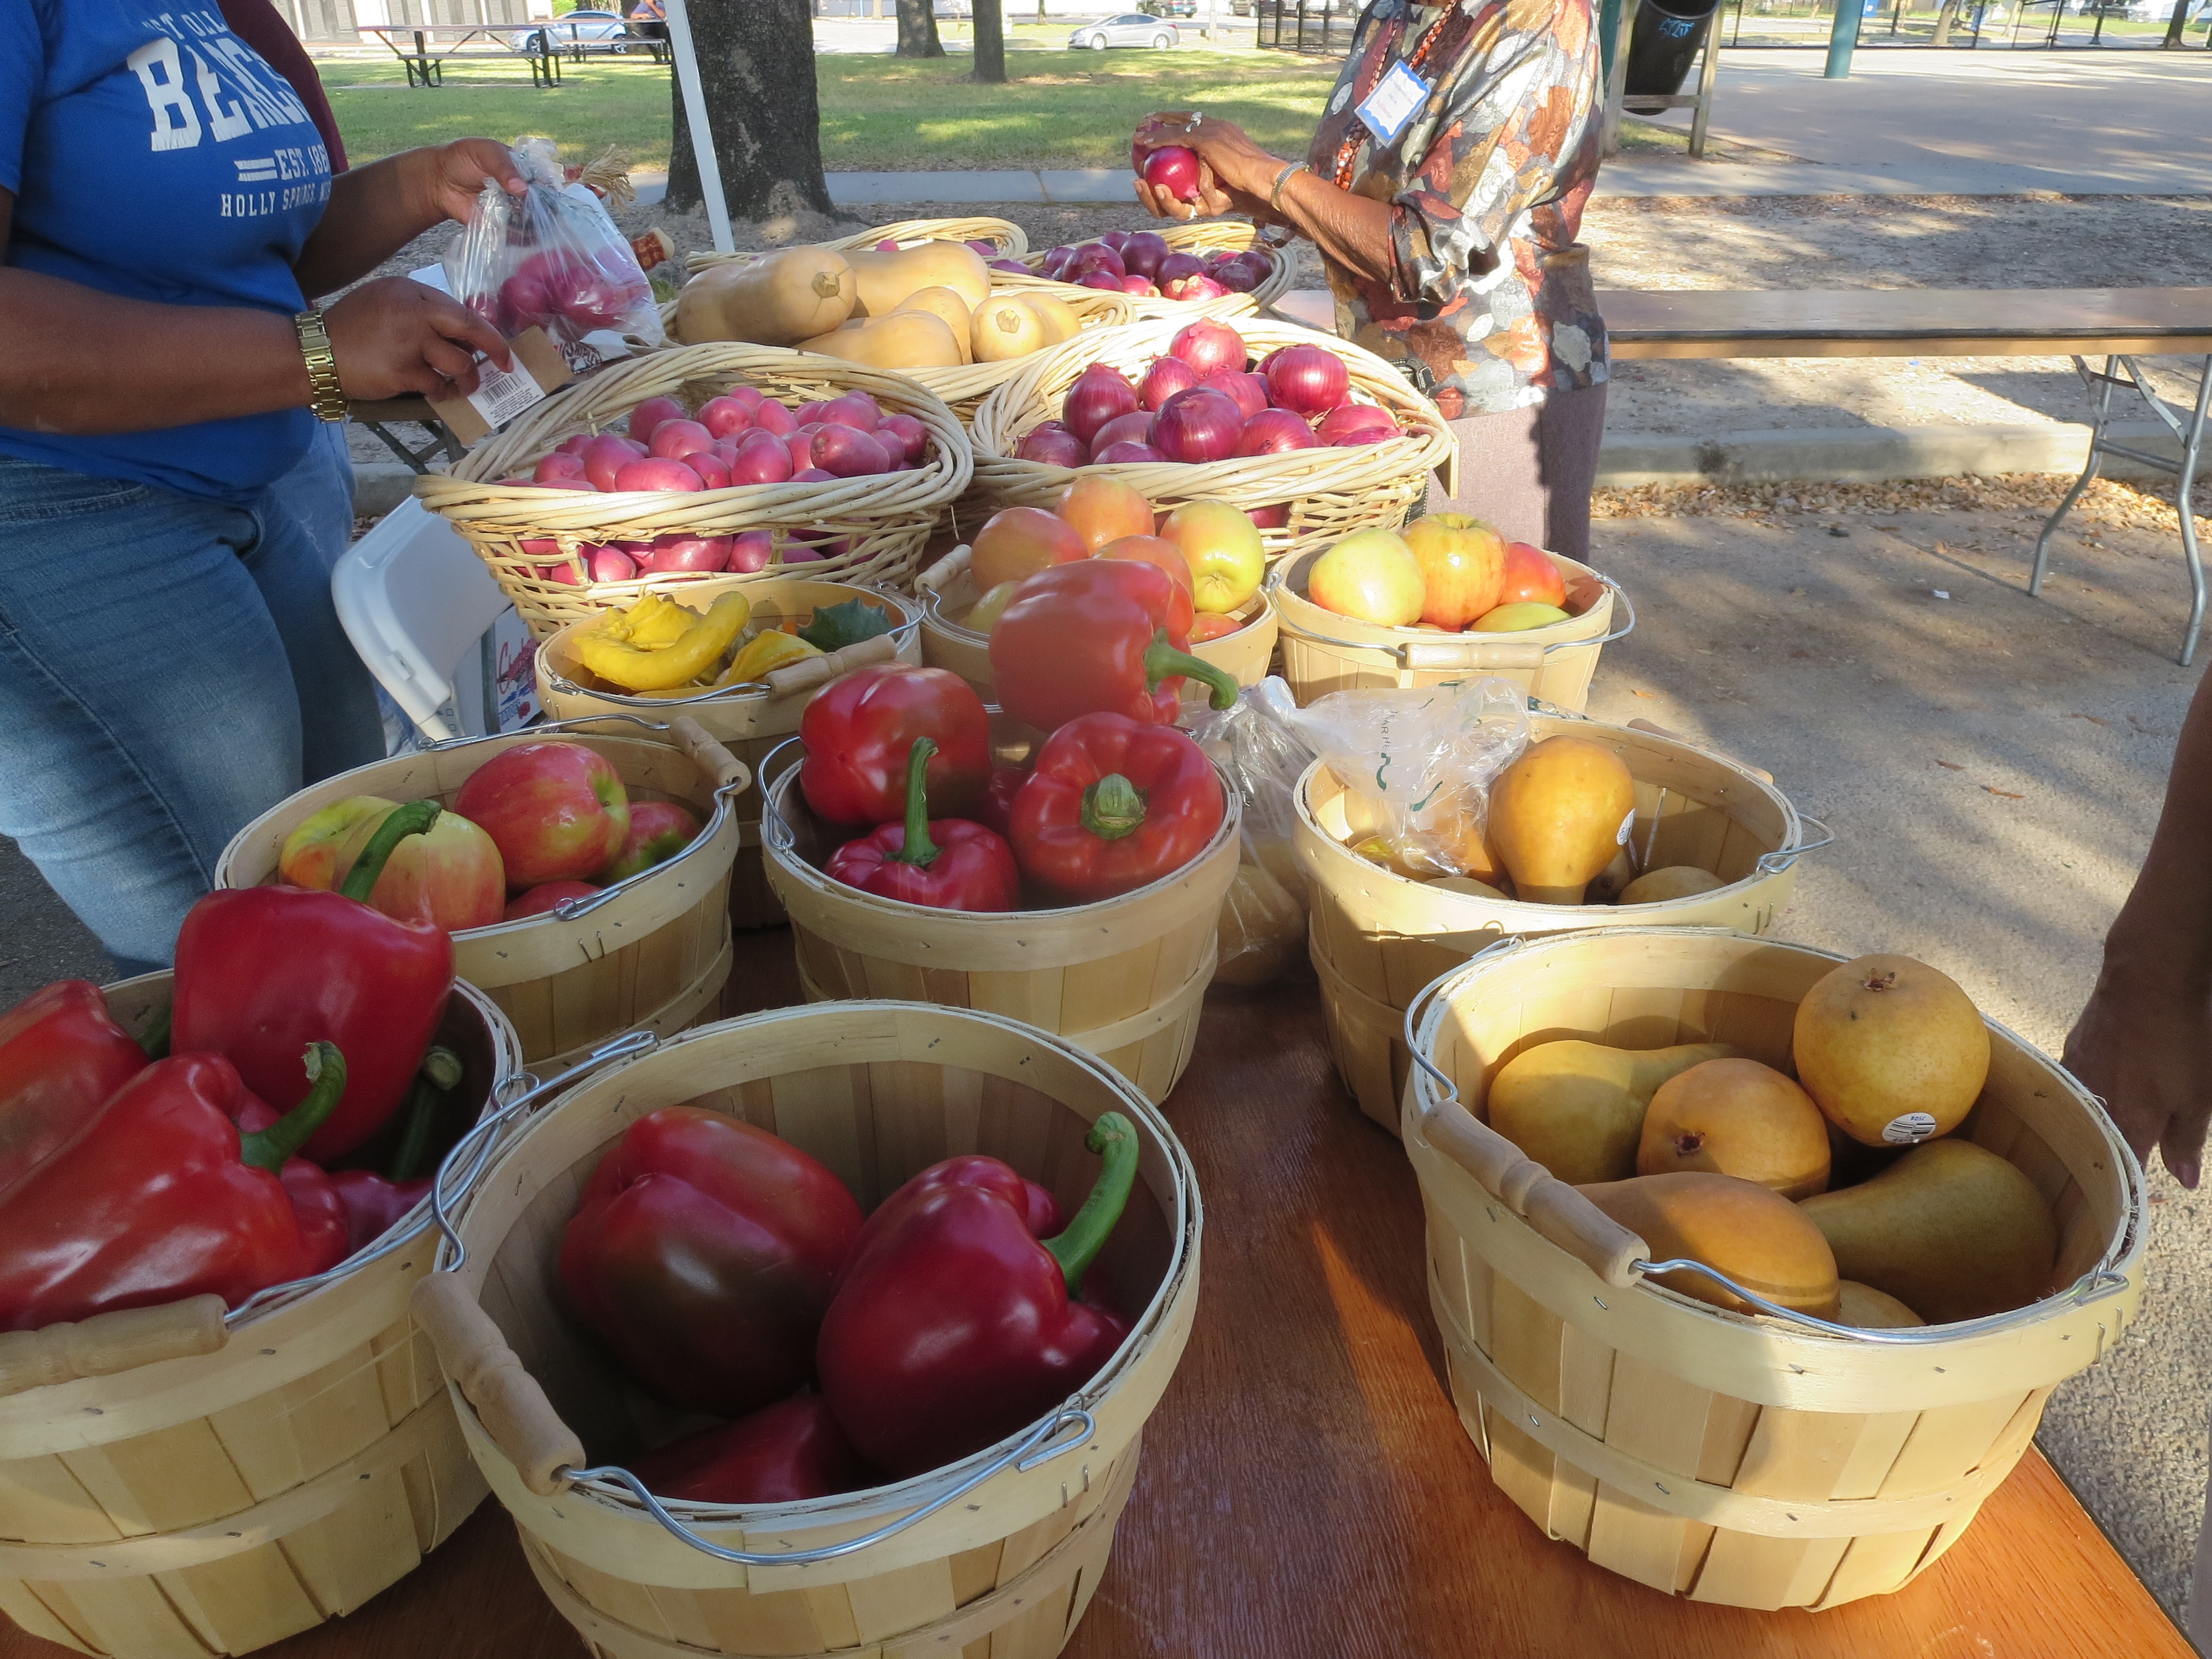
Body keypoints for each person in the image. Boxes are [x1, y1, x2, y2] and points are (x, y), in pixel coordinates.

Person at [0, 1, 520, 975]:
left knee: (340, 871)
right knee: (235, 952)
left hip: (266, 476)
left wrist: (416, 185)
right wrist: (317, 353)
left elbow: (230, 242)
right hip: (63, 513)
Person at [1133, 0, 1609, 562]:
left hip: (1490, 394)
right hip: (1379, 390)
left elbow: (1427, 251)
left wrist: (1263, 172)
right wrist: (1244, 191)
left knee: (1487, 611)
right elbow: (1353, 195)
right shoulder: (1396, 12)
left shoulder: (1540, 16)